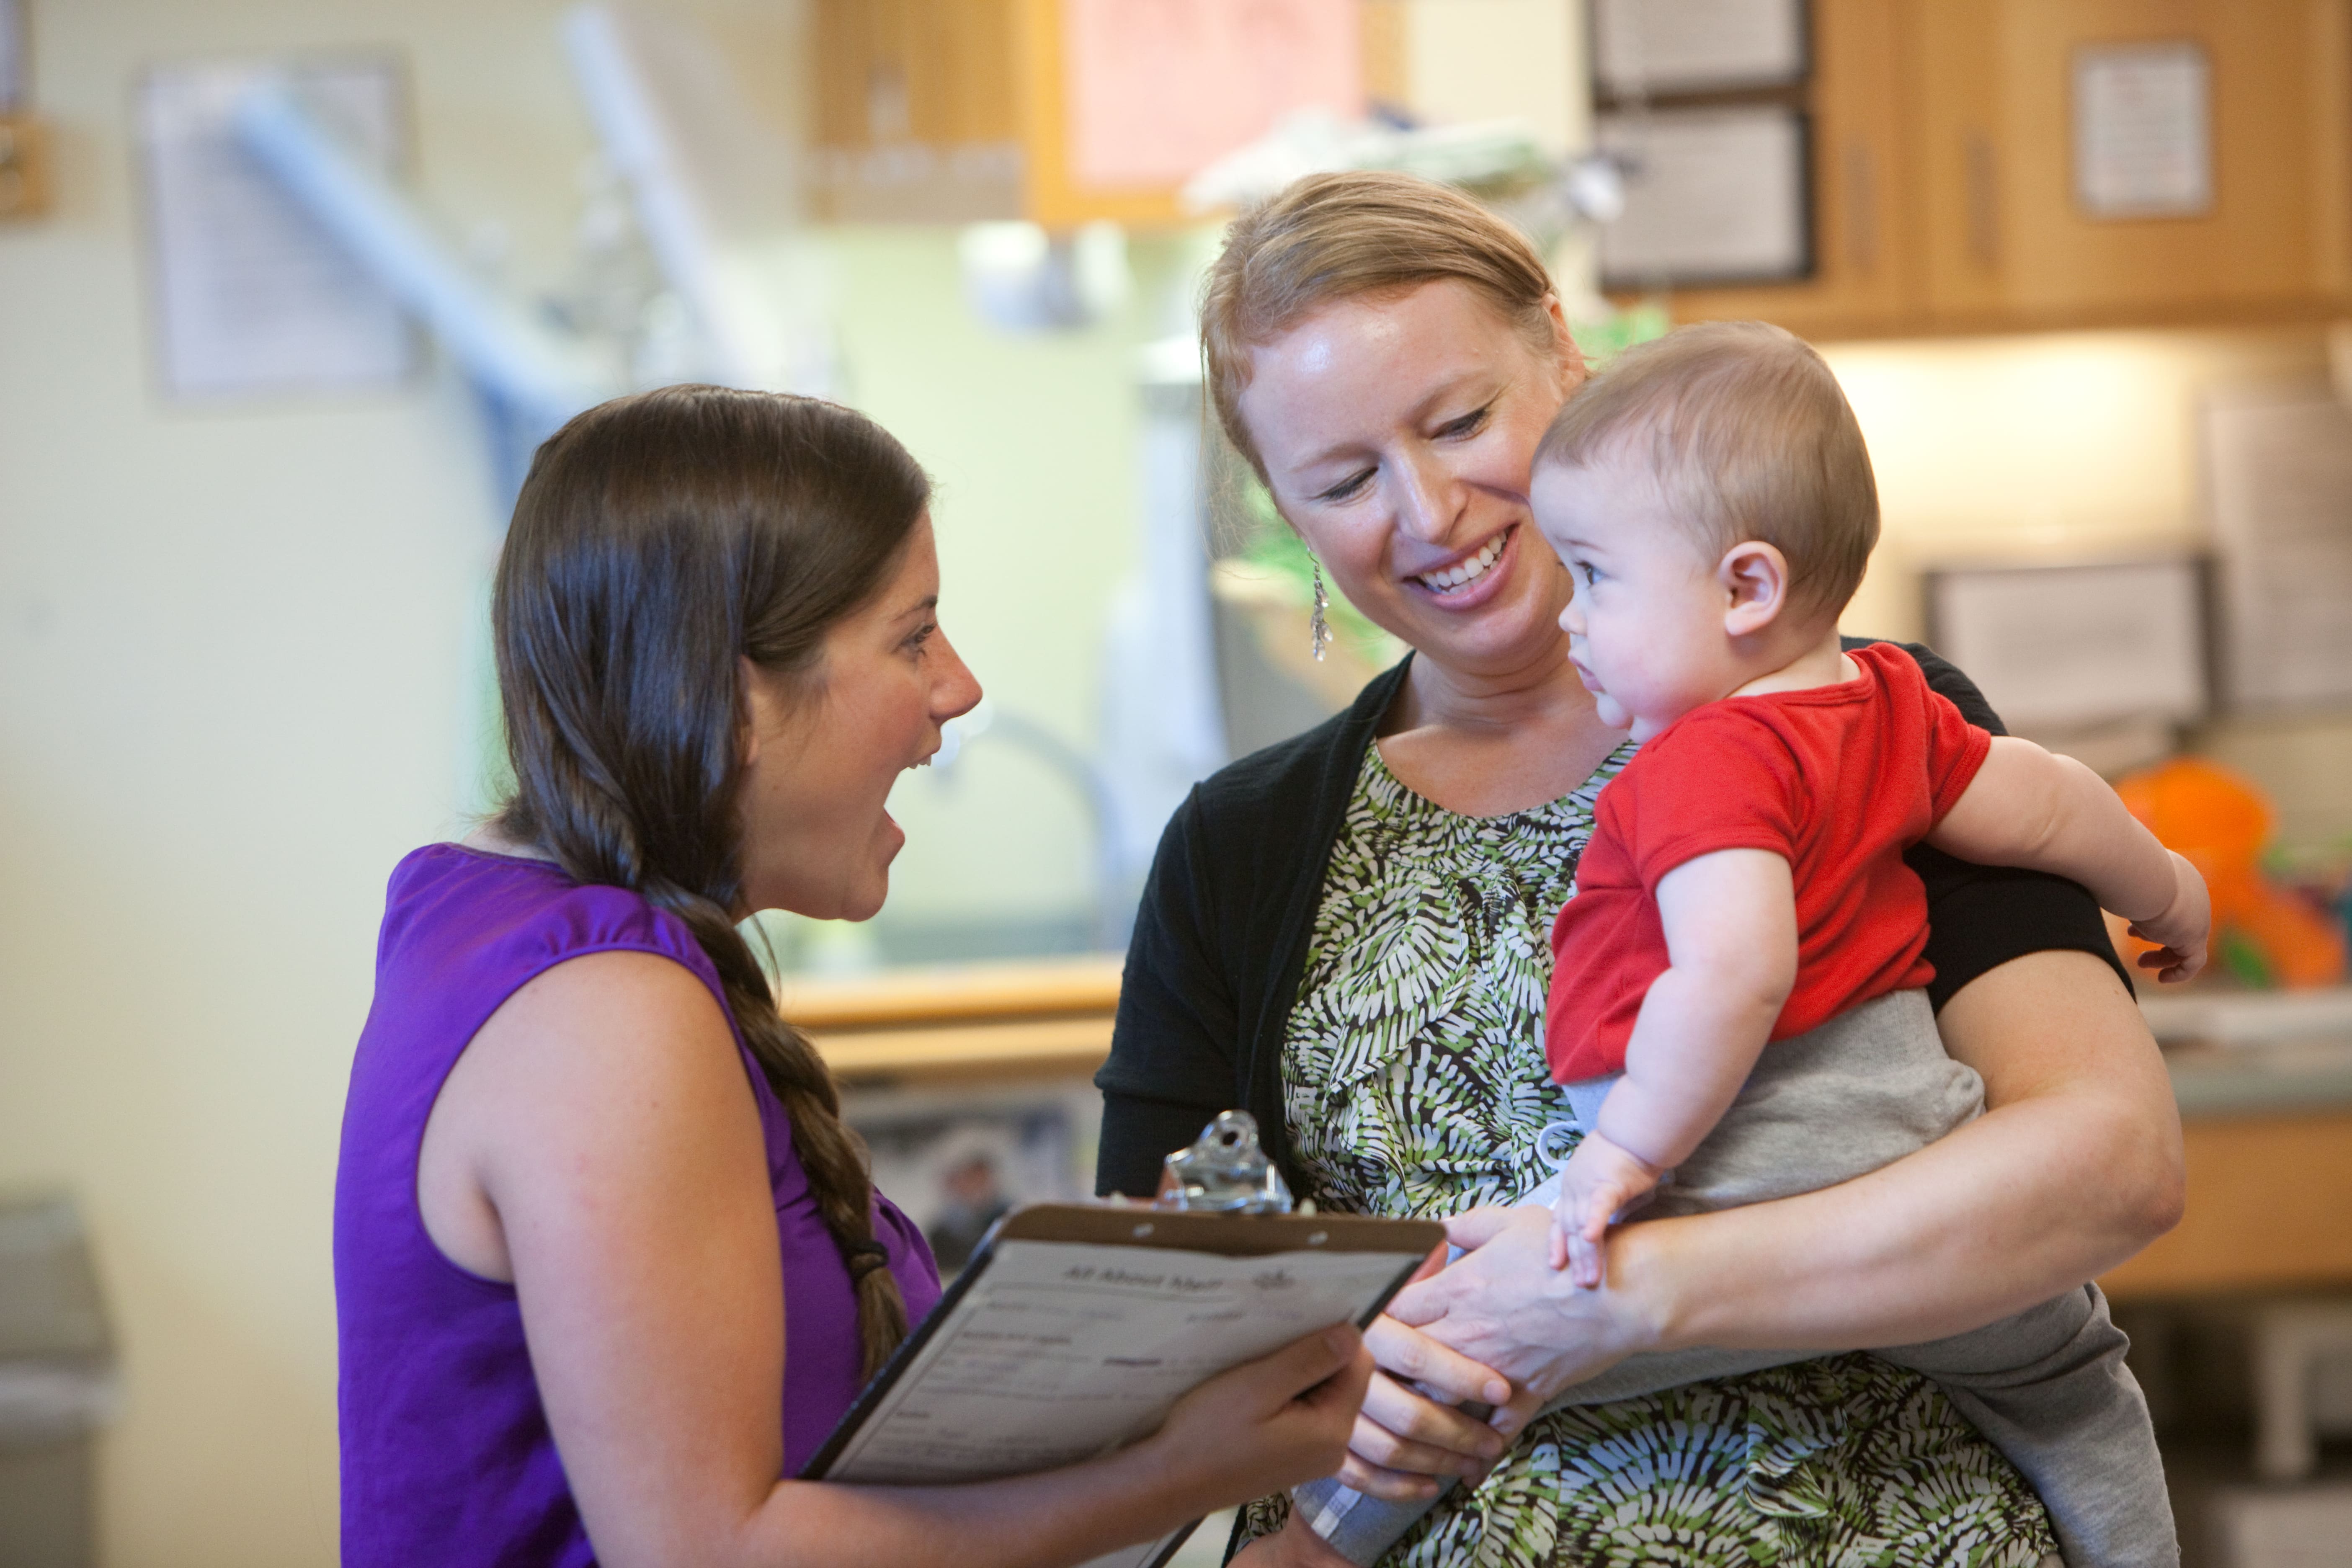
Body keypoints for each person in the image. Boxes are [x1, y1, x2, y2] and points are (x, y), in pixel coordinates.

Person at [1095, 172, 2184, 1566]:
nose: (1428, 513)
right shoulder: (1239, 848)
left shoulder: (1855, 723)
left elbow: (2112, 1167)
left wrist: (1615, 1293)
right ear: (1282, 511)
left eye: (1461, 421)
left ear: (1564, 349)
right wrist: (1323, 1401)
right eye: (1345, 480)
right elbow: (1151, 1337)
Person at [334, 385, 1374, 1568]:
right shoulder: (602, 1014)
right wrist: (1189, 1471)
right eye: (913, 636)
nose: (958, 688)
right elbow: (711, 1554)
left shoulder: (498, 926)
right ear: (734, 700)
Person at [1523, 320, 2199, 1564]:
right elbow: (2047, 800)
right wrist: (2168, 894)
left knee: (1487, 1367)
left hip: (1758, 1145)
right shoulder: (1891, 703)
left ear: (1747, 588)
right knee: (2065, 1375)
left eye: (1596, 577)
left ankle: (1331, 1538)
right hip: (1912, 1133)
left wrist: (1625, 1152)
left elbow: (1734, 970)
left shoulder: (1700, 761)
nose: (1570, 617)